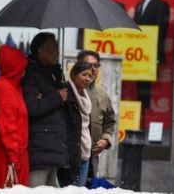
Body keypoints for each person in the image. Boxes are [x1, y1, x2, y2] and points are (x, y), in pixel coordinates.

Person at [21, 32, 69, 187]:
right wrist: (56, 97)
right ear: (40, 51)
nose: (57, 51)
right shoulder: (31, 74)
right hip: (40, 148)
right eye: (52, 47)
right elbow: (32, 107)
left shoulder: (54, 73)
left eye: (57, 47)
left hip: (54, 147)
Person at [0, 45, 29, 192]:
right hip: (7, 158)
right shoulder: (5, 89)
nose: (25, 70)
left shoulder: (11, 86)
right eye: (22, 66)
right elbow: (7, 126)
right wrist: (13, 158)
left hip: (12, 155)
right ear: (15, 67)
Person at [76, 50, 116, 178]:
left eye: (96, 65)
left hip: (92, 158)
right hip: (71, 156)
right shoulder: (68, 89)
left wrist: (105, 140)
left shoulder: (102, 95)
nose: (93, 70)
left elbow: (109, 122)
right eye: (88, 65)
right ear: (78, 66)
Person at [58, 61, 93, 187]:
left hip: (85, 154)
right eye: (84, 74)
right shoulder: (66, 94)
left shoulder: (87, 98)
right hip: (70, 156)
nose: (87, 79)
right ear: (74, 75)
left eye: (90, 76)